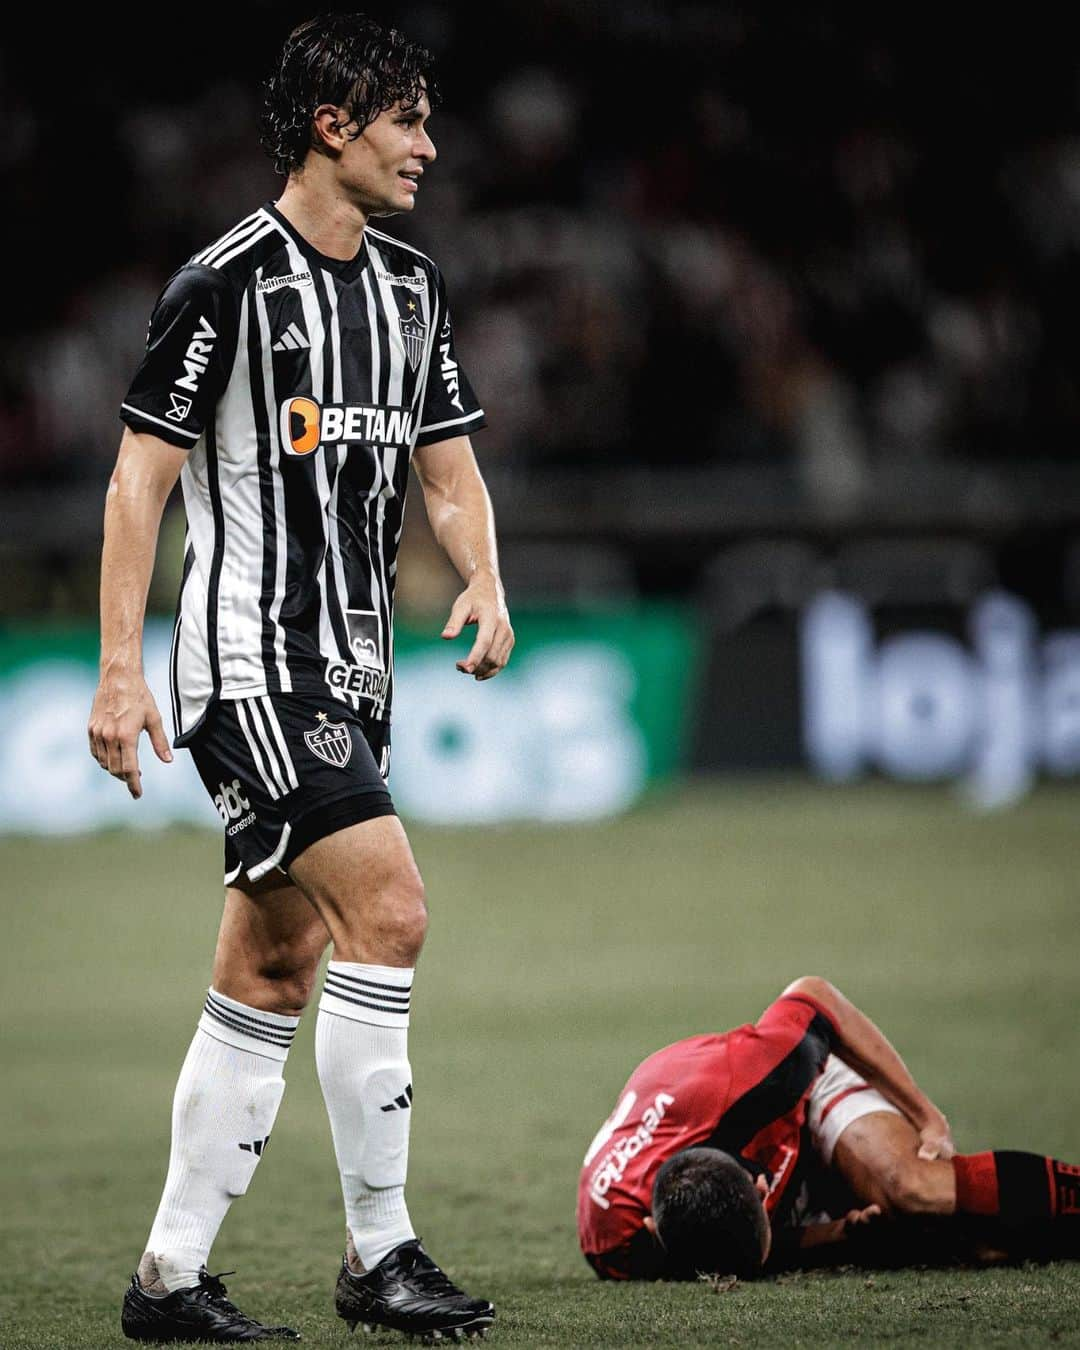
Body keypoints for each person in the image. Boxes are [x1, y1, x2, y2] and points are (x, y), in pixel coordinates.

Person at [88, 13, 512, 1344]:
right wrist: (117, 671)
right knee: (390, 906)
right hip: (250, 671)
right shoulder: (220, 285)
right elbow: (139, 480)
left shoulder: (411, 290)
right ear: (334, 124)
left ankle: (167, 1277)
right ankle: (379, 1252)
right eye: (409, 121)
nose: (428, 148)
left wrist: (485, 577)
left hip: (354, 671)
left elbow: (447, 466)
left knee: (273, 966)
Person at [578, 976, 1080, 1280]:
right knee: (965, 1243)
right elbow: (747, 1253)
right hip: (768, 1171)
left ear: (759, 1182)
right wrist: (841, 1237)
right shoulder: (618, 1244)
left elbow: (816, 996)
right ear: (654, 1229)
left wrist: (927, 1117)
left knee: (912, 1190)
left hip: (807, 1101)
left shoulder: (757, 1078)